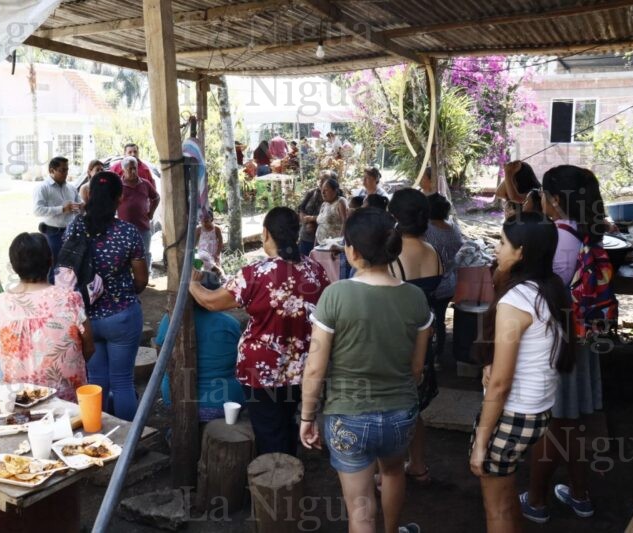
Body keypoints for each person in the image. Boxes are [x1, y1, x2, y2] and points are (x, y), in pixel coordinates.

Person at [300, 208, 432, 533]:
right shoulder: (416, 298)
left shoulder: (336, 295)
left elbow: (315, 368)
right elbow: (417, 369)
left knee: (360, 513)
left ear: (353, 251)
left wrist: (306, 417)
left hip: (348, 416)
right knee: (392, 472)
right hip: (401, 413)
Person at [189, 207, 330, 456]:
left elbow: (211, 301)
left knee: (268, 430)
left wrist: (191, 283)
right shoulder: (315, 271)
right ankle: (289, 468)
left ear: (266, 233)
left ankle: (275, 481)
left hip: (262, 370)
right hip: (303, 368)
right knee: (286, 421)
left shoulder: (256, 274)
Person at [471, 212, 575, 532]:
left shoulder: (516, 300)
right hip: (537, 410)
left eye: (502, 243)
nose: (497, 250)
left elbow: (501, 384)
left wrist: (480, 443)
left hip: (514, 413)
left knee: (497, 507)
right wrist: (491, 364)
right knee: (507, 497)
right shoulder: (550, 288)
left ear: (521, 252)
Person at [522, 165, 611, 523]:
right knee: (573, 422)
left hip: (556, 343)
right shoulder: (589, 233)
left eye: (544, 193)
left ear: (555, 200)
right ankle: (580, 494)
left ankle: (538, 501)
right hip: (584, 338)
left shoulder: (553, 238)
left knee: (553, 422)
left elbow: (537, 295)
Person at [63, 171, 148, 420]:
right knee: (122, 381)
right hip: (121, 316)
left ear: (88, 195)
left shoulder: (74, 228)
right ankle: (129, 444)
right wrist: (123, 293)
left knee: (97, 380)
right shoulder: (127, 232)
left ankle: (97, 435)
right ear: (119, 198)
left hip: (85, 319)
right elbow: (141, 280)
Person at [0, 233, 94, 401]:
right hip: (66, 401)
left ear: (13, 267)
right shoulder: (70, 299)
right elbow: (89, 347)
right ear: (51, 261)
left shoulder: (0, 304)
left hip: (18, 399)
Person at [388, 188, 444, 485]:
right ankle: (418, 465)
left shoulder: (393, 255)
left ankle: (389, 472)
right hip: (427, 337)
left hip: (400, 341)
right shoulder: (432, 251)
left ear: (394, 217)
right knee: (415, 407)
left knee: (392, 408)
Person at [156, 288, 244, 422]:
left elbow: (161, 358)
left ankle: (174, 433)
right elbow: (241, 359)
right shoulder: (230, 323)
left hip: (176, 400)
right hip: (224, 403)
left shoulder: (169, 320)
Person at [424, 193, 464, 359]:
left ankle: (426, 353)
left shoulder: (426, 229)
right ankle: (439, 352)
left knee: (425, 320)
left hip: (431, 282)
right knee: (439, 319)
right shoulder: (453, 227)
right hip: (449, 282)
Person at [33, 156, 83, 281]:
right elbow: (37, 210)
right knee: (54, 265)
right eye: (62, 170)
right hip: (52, 232)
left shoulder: (71, 188)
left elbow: (79, 205)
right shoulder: (42, 188)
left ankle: (69, 294)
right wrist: (61, 209)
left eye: (67, 170)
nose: (65, 173)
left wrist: (80, 207)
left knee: (71, 265)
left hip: (71, 231)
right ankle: (52, 295)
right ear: (52, 170)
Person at [117, 156, 160, 274]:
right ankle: (127, 278)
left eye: (134, 168)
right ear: (123, 170)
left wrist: (151, 212)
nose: (133, 171)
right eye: (130, 169)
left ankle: (145, 278)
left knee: (144, 253)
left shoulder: (145, 183)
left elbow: (156, 198)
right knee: (125, 254)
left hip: (143, 226)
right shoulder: (118, 185)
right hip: (123, 229)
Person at [296, 170, 335, 256]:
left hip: (325, 241)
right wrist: (306, 221)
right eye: (320, 179)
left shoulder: (338, 197)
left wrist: (313, 220)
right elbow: (301, 208)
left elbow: (333, 216)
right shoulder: (312, 192)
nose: (321, 182)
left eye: (324, 180)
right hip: (306, 237)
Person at [315, 178, 348, 245]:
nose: (323, 193)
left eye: (326, 190)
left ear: (335, 190)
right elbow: (320, 226)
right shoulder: (324, 204)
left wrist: (339, 243)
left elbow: (345, 222)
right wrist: (314, 246)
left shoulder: (340, 202)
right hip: (321, 245)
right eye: (322, 190)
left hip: (333, 247)